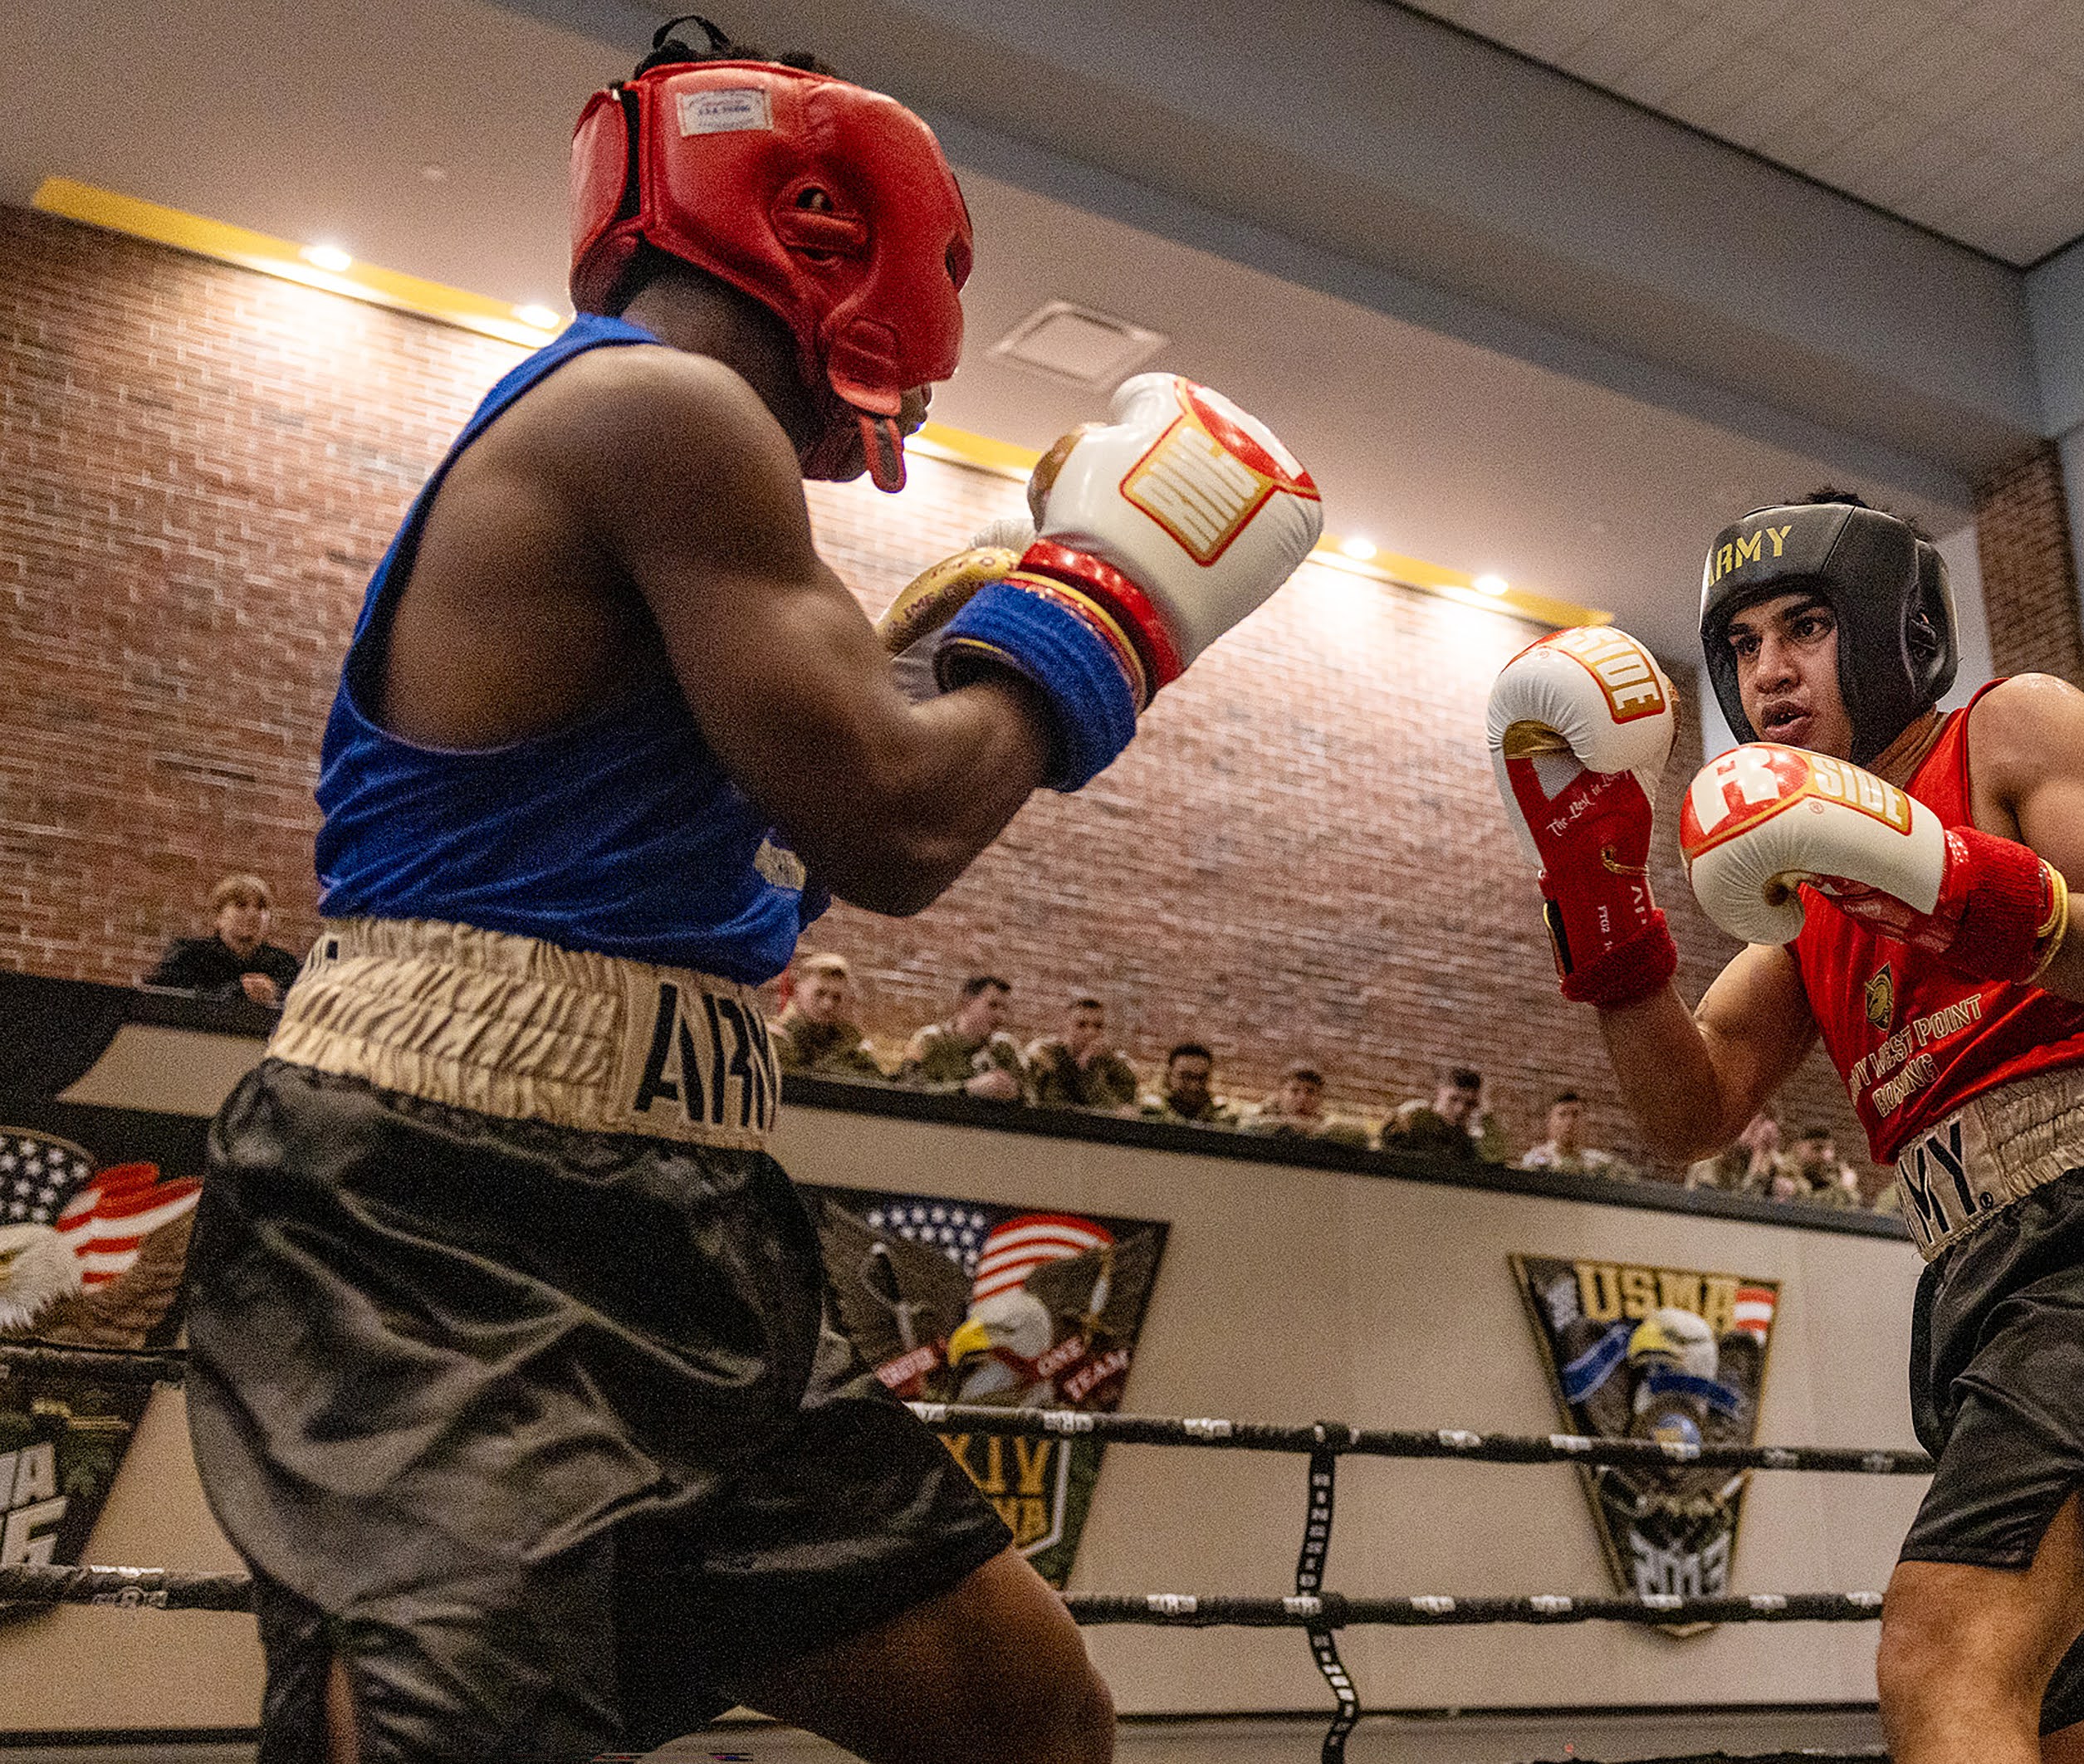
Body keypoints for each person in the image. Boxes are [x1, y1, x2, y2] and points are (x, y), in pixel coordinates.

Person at [180, 19, 1321, 1762]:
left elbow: (767, 869)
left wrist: (953, 673)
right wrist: (1114, 597)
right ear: (826, 225)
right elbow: (899, 826)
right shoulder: (656, 406)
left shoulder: (680, 466)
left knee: (1030, 1717)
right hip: (440, 1213)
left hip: (678, 1205)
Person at [1489, 492, 2084, 1763]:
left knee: (1938, 1648)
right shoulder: (1807, 876)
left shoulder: (2017, 727)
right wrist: (1601, 905)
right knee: (2055, 1723)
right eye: (1742, 644)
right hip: (1974, 1278)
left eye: (1804, 627)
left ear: (1895, 630)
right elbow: (1690, 1110)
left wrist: (1953, 886)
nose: (1769, 672)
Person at [146, 872, 301, 1006]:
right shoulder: (189, 956)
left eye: (261, 907)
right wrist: (238, 992)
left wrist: (275, 996)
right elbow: (159, 999)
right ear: (218, 917)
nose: (253, 914)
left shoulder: (286, 965)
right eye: (241, 905)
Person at [898, 975, 1026, 1102]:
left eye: (1004, 1009)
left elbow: (1029, 1101)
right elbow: (907, 1095)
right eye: (992, 1006)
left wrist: (1014, 1094)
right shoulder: (930, 1041)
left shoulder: (1005, 1050)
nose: (1000, 1017)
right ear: (966, 1003)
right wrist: (967, 1089)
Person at [769, 951, 885, 1079]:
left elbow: (877, 1085)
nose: (828, 1004)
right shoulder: (775, 1041)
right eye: (819, 994)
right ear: (798, 992)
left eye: (837, 997)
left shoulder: (852, 1043)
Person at [1022, 996, 1141, 1112]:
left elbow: (1118, 1113)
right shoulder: (1044, 1055)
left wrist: (1091, 1070)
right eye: (1081, 1025)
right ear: (1065, 1027)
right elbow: (1043, 1103)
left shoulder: (1116, 1065)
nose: (1091, 1032)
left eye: (1098, 1026)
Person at [1238, 1062, 1368, 1145]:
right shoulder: (1258, 1115)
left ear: (1320, 1098)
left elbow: (1360, 1136)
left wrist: (1315, 1129)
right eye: (1294, 1091)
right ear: (1280, 1093)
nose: (1302, 1098)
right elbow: (1245, 1127)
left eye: (1310, 1092)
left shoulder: (1328, 1124)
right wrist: (1288, 1124)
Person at [1378, 1066, 1485, 1160]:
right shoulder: (1412, 1120)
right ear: (1439, 1093)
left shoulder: (1465, 1144)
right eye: (1453, 1099)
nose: (1460, 1109)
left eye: (1469, 1104)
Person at [1519, 1091, 1629, 1177]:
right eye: (1562, 1115)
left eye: (1575, 1115)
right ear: (1550, 1122)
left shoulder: (1599, 1164)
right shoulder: (1537, 1161)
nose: (1570, 1122)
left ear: (1584, 1123)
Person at [1138, 1042, 1236, 1128]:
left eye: (1201, 1078)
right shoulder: (1148, 1112)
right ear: (1169, 1075)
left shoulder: (1220, 1116)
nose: (1194, 1086)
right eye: (1186, 1077)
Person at [1685, 1107, 1778, 1190]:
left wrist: (1758, 1151)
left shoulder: (1768, 1127)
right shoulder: (1738, 1121)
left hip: (1746, 1158)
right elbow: (1739, 1141)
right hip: (1729, 1154)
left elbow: (1769, 1150)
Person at [1785, 1122, 1862, 1208]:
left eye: (1831, 1149)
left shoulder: (1832, 1180)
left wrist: (1847, 1189)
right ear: (1798, 1149)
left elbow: (1848, 1214)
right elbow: (1807, 1210)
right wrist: (1846, 1190)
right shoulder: (1784, 1174)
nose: (1827, 1156)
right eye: (1817, 1148)